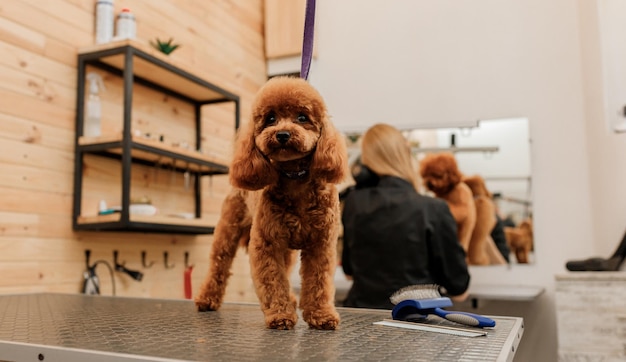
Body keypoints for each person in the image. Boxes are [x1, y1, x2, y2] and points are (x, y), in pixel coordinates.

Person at [341, 123, 470, 309]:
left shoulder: (354, 203)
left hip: (363, 322)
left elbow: (349, 273)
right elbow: (459, 290)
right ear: (405, 155)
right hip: (417, 326)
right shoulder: (433, 209)